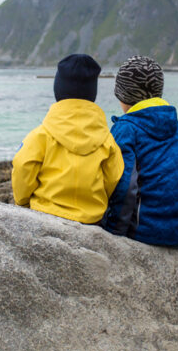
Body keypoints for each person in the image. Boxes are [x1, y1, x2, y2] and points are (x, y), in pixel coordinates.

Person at [101, 56, 178, 247]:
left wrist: (114, 234)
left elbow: (124, 187)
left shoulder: (126, 129)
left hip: (148, 232)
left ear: (123, 95)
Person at [12, 54, 124, 224]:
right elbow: (113, 179)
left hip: (45, 215)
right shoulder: (107, 140)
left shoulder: (41, 135)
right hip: (92, 219)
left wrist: (22, 201)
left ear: (58, 90)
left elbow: (22, 167)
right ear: (92, 93)